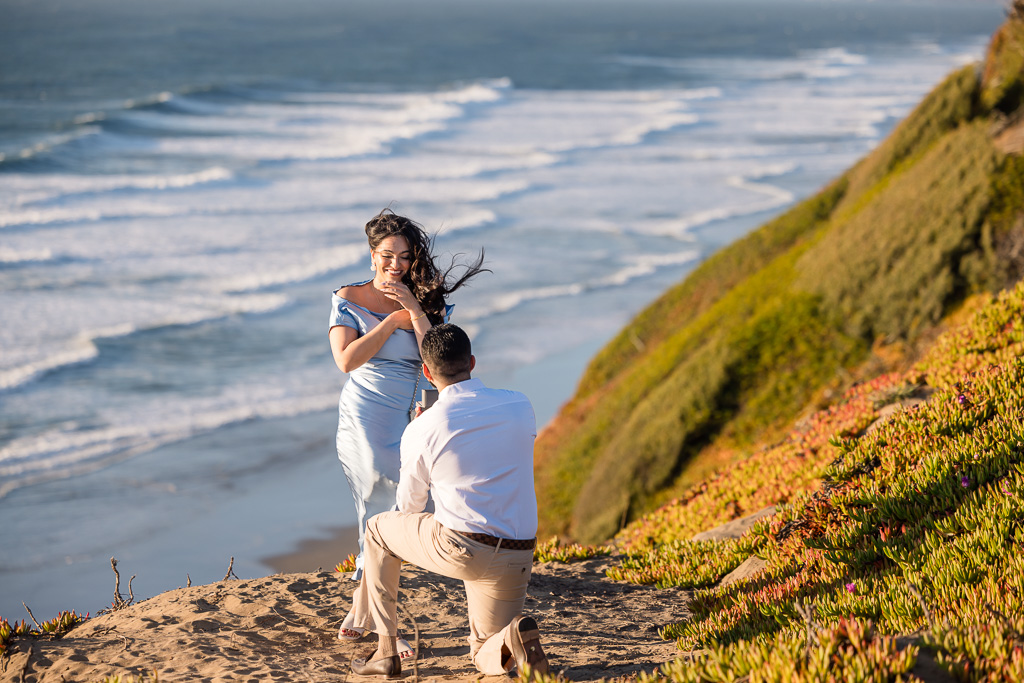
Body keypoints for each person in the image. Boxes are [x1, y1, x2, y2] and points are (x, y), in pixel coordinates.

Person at [344, 323, 549, 680]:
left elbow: (409, 508)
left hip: (462, 549)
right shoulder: (520, 403)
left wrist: (419, 434)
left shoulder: (424, 428)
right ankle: (512, 639)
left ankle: (385, 650)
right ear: (472, 361)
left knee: (377, 529)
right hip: (517, 551)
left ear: (426, 371)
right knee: (484, 648)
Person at [328, 209, 487, 588]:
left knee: (418, 495)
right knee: (380, 490)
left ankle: (390, 575)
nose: (395, 265)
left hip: (419, 412)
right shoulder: (349, 298)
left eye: (404, 257)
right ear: (372, 255)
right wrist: (389, 322)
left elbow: (436, 360)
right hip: (367, 411)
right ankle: (372, 577)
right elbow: (347, 361)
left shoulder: (428, 302)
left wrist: (413, 311)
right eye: (387, 256)